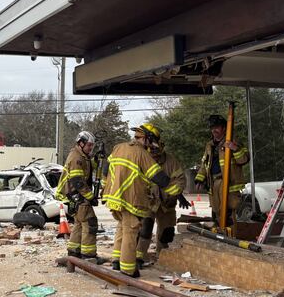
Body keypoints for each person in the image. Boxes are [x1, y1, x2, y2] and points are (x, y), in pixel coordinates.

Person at [104, 124, 171, 278]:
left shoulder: (118, 147)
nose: (152, 146)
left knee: (122, 227)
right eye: (152, 141)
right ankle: (127, 269)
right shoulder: (142, 153)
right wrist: (171, 186)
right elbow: (158, 177)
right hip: (130, 199)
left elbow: (106, 168)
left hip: (114, 197)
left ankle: (117, 260)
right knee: (131, 230)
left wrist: (106, 185)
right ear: (146, 138)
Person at [135, 137, 190, 265]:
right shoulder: (143, 159)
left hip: (167, 203)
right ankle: (139, 257)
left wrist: (175, 195)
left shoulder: (171, 162)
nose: (153, 152)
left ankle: (163, 257)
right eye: (151, 149)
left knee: (167, 232)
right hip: (148, 203)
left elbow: (180, 179)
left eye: (156, 149)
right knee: (144, 230)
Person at [194, 114, 249, 226]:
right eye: (212, 128)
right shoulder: (209, 145)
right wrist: (199, 178)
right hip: (213, 183)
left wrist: (235, 149)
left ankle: (230, 237)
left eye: (217, 127)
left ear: (224, 128)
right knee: (216, 211)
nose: (214, 130)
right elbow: (205, 163)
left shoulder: (233, 141)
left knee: (228, 212)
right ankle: (218, 236)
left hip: (228, 183)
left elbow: (244, 160)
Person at [56, 131, 99, 260]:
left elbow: (88, 167)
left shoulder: (81, 156)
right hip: (77, 194)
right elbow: (78, 181)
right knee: (90, 222)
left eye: (92, 145)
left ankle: (74, 252)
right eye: (89, 145)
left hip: (73, 194)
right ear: (81, 143)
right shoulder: (76, 157)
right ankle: (88, 255)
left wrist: (96, 159)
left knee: (79, 224)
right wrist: (90, 196)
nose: (91, 148)